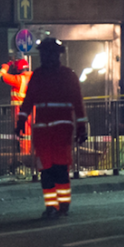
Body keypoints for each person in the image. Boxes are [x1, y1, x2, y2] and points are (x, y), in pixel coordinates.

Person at [17, 38, 87, 219]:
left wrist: (82, 127)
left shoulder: (68, 76)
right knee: (45, 171)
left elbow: (78, 103)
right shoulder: (37, 76)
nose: (46, 57)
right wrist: (20, 121)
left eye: (49, 53)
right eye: (44, 53)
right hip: (42, 132)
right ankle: (51, 206)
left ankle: (63, 204)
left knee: (60, 169)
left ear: (58, 55)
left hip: (61, 131)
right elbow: (28, 101)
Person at [0, 58, 33, 155]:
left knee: (23, 136)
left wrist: (5, 67)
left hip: (21, 112)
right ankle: (34, 161)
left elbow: (1, 76)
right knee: (31, 135)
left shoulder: (19, 79)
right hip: (33, 111)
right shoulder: (33, 77)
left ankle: (25, 162)